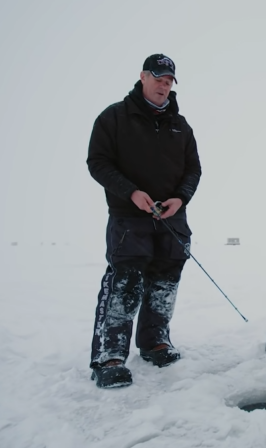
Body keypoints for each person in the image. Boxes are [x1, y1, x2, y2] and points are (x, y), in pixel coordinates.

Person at [86, 53, 201, 389]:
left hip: (171, 218)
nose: (163, 86)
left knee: (165, 280)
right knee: (125, 283)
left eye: (168, 81)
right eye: (158, 79)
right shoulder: (115, 118)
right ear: (142, 77)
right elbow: (98, 162)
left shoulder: (181, 126)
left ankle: (155, 341)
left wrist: (180, 198)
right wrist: (131, 192)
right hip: (128, 217)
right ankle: (110, 356)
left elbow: (193, 169)